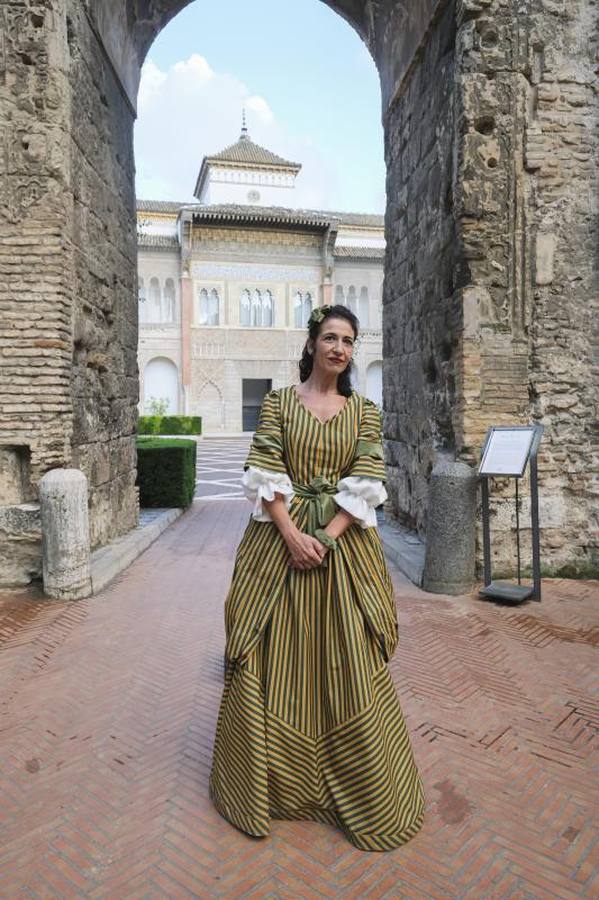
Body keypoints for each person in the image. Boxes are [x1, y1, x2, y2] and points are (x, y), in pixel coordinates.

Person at [209, 304, 425, 851]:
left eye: (348, 341)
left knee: (348, 653)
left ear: (353, 351)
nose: (339, 348)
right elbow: (263, 473)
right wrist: (290, 535)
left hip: (342, 548)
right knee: (268, 651)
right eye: (330, 337)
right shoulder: (280, 404)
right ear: (311, 345)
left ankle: (353, 785)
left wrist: (326, 537)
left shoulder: (365, 412)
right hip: (277, 546)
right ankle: (269, 788)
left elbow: (368, 479)